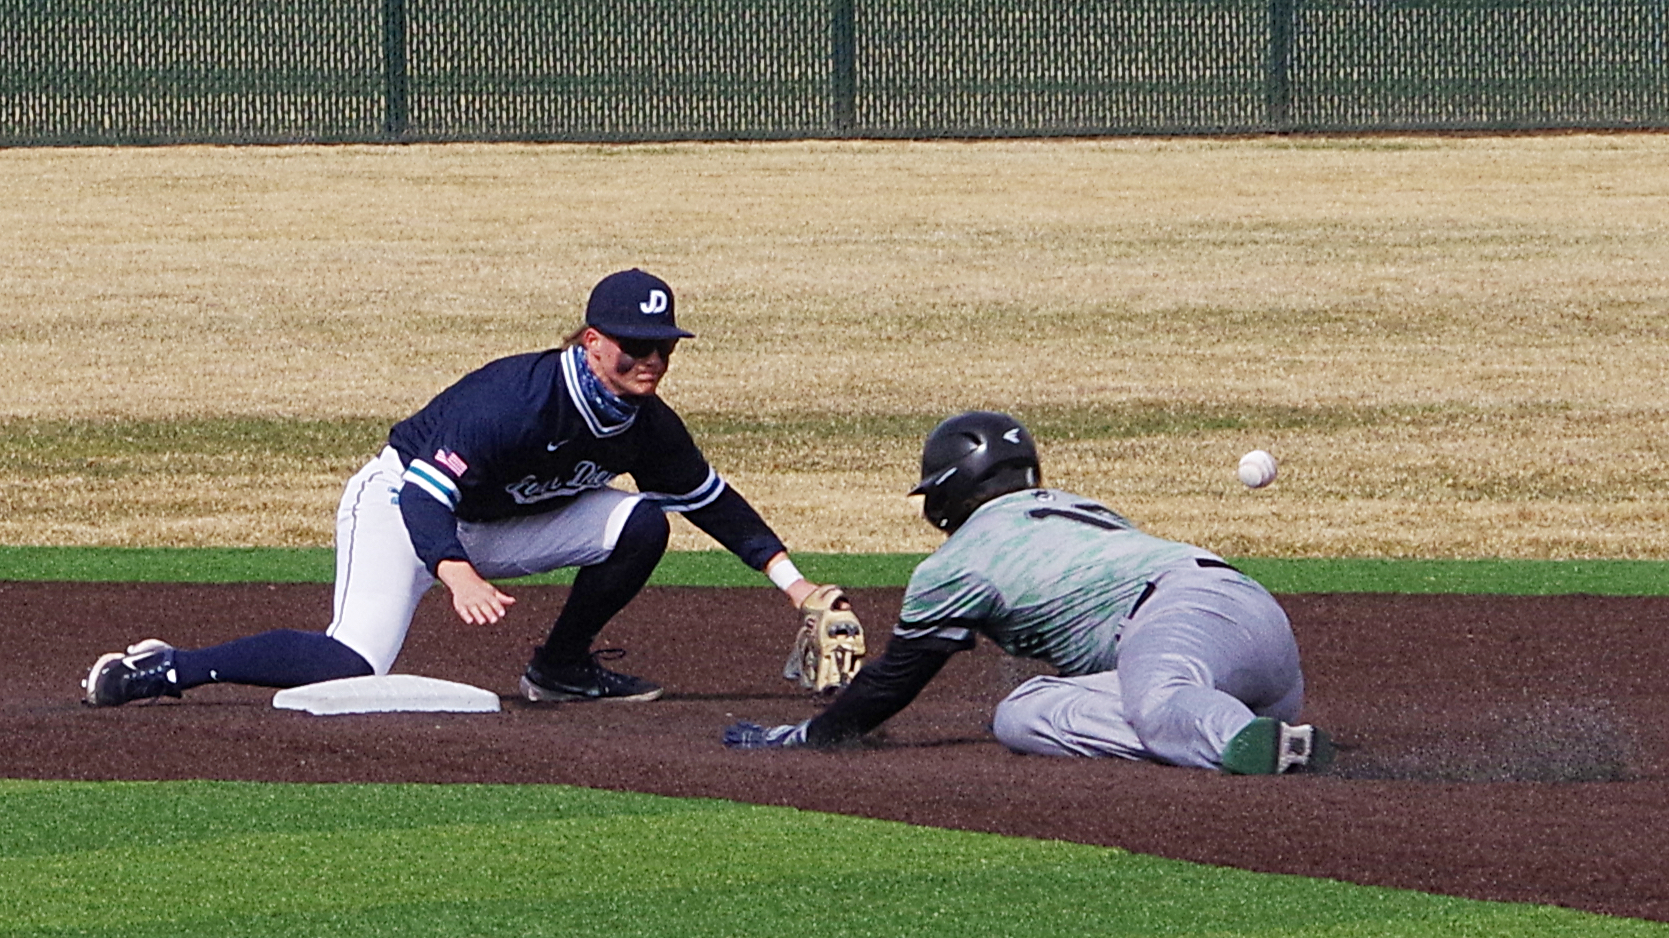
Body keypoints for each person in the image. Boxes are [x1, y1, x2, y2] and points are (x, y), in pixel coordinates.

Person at [83, 268, 827, 707]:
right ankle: (170, 665)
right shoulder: (513, 400)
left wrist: (798, 588)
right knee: (352, 662)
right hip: (400, 508)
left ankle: (559, 669)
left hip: (493, 526)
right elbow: (420, 496)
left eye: (663, 346)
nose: (652, 360)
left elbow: (710, 504)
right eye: (635, 346)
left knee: (639, 522)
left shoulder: (644, 423)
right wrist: (454, 569)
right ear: (591, 340)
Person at [723, 411, 1333, 774]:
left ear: (951, 491)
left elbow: (896, 678)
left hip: (1175, 621)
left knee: (1161, 701)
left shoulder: (958, 563)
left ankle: (1235, 740)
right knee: (1023, 713)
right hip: (1258, 628)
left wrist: (816, 733)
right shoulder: (1076, 506)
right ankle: (1245, 733)